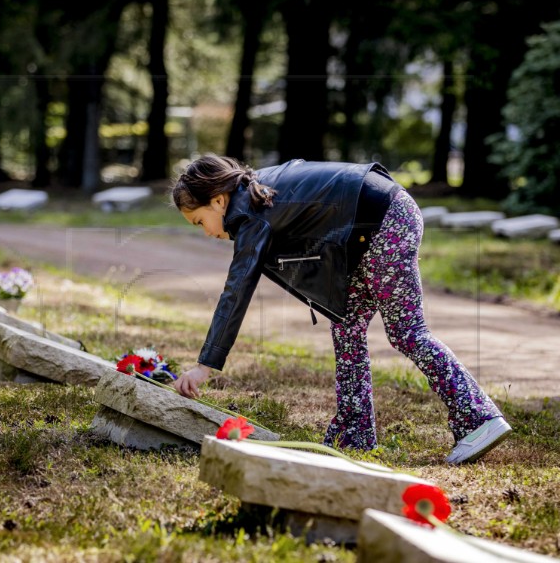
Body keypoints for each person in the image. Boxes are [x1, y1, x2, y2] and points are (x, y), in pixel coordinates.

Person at [169, 153, 511, 464]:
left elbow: (237, 289)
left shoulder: (248, 213)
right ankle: (355, 434)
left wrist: (205, 366)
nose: (205, 233)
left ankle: (477, 419)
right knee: (346, 326)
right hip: (373, 224)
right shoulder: (254, 191)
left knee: (408, 332)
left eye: (200, 222)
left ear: (217, 200)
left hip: (385, 221)